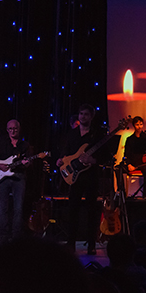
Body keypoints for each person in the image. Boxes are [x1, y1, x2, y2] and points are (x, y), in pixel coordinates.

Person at [56, 104, 102, 255]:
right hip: (74, 178)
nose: (83, 117)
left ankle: (91, 245)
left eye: (86, 114)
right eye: (81, 114)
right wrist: (61, 160)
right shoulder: (71, 134)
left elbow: (107, 155)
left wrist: (93, 160)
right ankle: (71, 244)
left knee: (91, 212)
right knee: (72, 211)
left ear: (91, 116)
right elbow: (65, 152)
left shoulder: (97, 135)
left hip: (91, 177)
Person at [0, 119, 32, 242]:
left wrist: (26, 163)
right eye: (10, 129)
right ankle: (3, 235)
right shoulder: (1, 142)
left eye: (15, 129)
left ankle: (16, 236)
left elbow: (28, 162)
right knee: (3, 207)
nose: (13, 131)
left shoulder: (24, 145)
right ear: (7, 130)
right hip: (2, 178)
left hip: (19, 177)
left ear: (19, 129)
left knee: (18, 207)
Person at [124, 116, 146, 198]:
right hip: (132, 163)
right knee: (118, 169)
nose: (139, 126)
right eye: (137, 124)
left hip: (142, 163)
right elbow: (126, 154)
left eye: (141, 124)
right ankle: (121, 193)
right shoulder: (130, 139)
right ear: (134, 125)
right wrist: (129, 164)